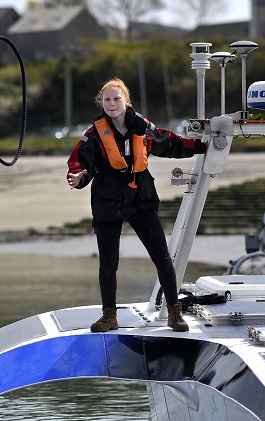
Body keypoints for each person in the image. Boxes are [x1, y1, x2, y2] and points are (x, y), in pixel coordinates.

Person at [67, 78, 205, 333]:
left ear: (126, 101)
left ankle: (175, 314)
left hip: (141, 200)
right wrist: (77, 178)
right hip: (107, 202)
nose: (111, 104)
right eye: (107, 100)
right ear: (102, 103)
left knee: (163, 259)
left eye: (116, 99)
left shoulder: (142, 127)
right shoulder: (93, 134)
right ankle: (109, 316)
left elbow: (169, 142)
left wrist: (202, 146)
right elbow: (79, 163)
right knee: (108, 265)